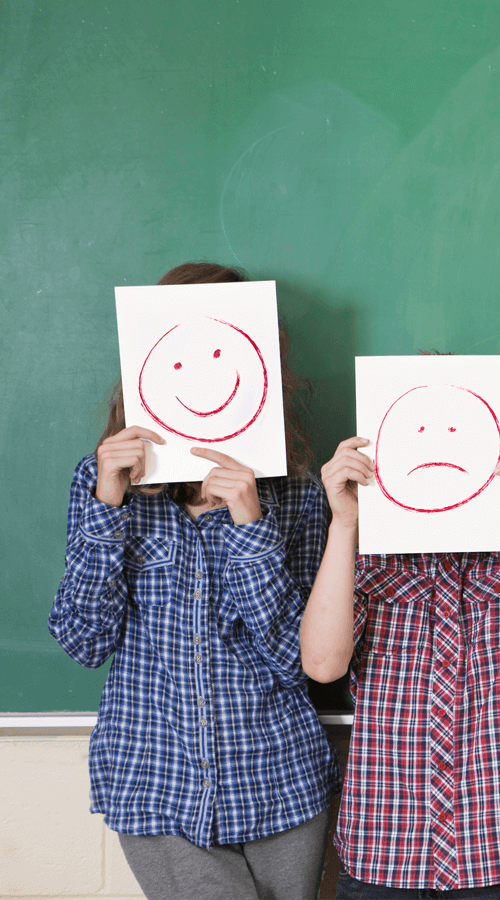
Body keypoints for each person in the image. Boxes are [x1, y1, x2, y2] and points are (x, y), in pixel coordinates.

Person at [49, 262, 339, 900]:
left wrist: (249, 526)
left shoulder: (299, 496)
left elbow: (302, 662)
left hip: (279, 786)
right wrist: (108, 505)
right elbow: (83, 641)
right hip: (155, 784)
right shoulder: (101, 489)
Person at [300, 432, 500, 900]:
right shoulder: (363, 551)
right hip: (382, 849)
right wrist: (343, 524)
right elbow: (321, 664)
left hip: (494, 848)